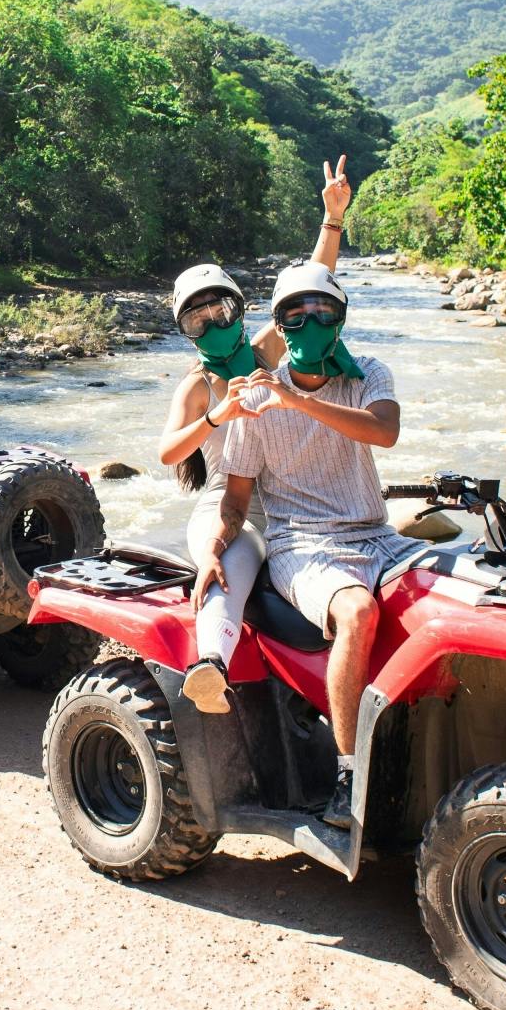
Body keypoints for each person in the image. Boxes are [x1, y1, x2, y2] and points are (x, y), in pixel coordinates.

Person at [195, 261, 421, 832]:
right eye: (294, 314)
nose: (308, 322)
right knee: (358, 610)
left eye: (321, 311)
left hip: (377, 531)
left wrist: (296, 401)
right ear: (279, 324)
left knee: (462, 588)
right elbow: (236, 500)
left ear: (340, 318)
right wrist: (216, 548)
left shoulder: (368, 372)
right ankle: (349, 776)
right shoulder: (253, 403)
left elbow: (383, 431)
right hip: (303, 544)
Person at [159, 157, 352, 716]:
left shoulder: (266, 352)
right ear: (184, 331)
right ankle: (210, 667)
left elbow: (309, 291)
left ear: (239, 311)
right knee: (227, 568)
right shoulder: (198, 386)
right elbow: (169, 451)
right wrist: (219, 415)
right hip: (225, 507)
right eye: (198, 322)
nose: (214, 327)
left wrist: (331, 217)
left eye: (221, 312)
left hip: (290, 501)